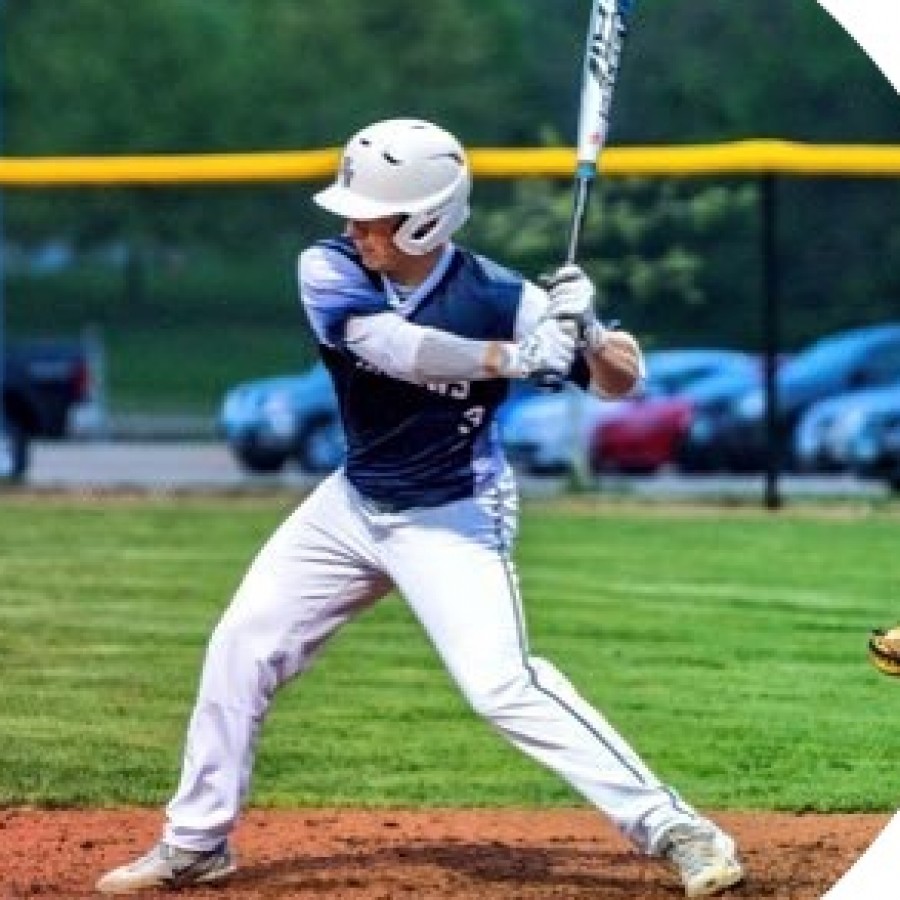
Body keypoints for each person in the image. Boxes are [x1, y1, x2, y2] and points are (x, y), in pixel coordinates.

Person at [96, 117, 744, 898]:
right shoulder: (328, 267)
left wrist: (589, 329)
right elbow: (392, 349)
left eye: (370, 215)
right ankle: (197, 843)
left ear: (425, 219)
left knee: (503, 686)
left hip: (454, 513)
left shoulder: (504, 296)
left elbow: (623, 382)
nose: (352, 226)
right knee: (242, 646)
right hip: (352, 502)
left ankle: (679, 830)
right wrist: (510, 357)